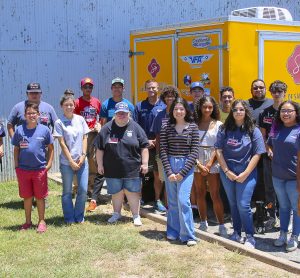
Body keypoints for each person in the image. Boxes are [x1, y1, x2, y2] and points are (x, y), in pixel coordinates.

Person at [215, 99, 265, 248]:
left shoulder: (253, 130)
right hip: (227, 172)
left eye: (241, 109)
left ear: (246, 112)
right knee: (233, 203)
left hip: (247, 172)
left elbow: (258, 154)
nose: (238, 112)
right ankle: (236, 232)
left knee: (243, 204)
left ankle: (250, 235)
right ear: (231, 111)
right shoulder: (224, 129)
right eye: (235, 109)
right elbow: (218, 150)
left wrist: (245, 173)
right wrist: (226, 171)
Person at [95, 102, 149, 226]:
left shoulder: (135, 127)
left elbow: (144, 147)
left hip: (132, 169)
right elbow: (99, 149)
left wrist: (145, 163)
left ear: (129, 114)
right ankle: (116, 214)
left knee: (132, 192)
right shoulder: (107, 128)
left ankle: (136, 216)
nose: (121, 115)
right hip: (112, 169)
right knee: (116, 192)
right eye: (119, 113)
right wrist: (100, 165)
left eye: (124, 113)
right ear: (115, 114)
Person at [160, 98, 199, 246]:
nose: (178, 111)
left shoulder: (193, 127)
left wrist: (182, 172)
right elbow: (162, 149)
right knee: (172, 202)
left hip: (186, 165)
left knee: (183, 201)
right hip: (170, 163)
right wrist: (169, 171)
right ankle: (173, 231)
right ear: (172, 111)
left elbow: (194, 151)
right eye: (176, 109)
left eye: (181, 109)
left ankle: (188, 235)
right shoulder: (166, 127)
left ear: (186, 111)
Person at [12, 102, 54, 233]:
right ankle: (28, 222)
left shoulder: (45, 130)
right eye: (29, 113)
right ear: (25, 115)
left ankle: (41, 221)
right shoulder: (19, 130)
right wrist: (17, 166)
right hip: (23, 170)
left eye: (34, 113)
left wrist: (49, 164)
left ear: (38, 115)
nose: (31, 115)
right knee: (27, 197)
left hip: (39, 169)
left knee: (40, 197)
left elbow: (51, 148)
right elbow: (16, 149)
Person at [267, 101, 300, 252]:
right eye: (283, 111)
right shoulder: (276, 128)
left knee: (297, 208)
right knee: (284, 208)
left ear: (296, 112)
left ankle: (295, 236)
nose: (285, 113)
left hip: (295, 178)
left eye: (289, 111)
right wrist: (269, 150)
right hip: (278, 176)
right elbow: (269, 143)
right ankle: (283, 234)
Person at [193, 96, 227, 237]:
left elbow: (219, 146)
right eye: (205, 107)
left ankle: (221, 225)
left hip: (214, 158)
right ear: (200, 108)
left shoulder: (219, 124)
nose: (207, 109)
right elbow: (190, 146)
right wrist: (199, 164)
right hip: (196, 159)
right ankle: (203, 221)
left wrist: (208, 164)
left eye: (210, 107)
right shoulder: (193, 124)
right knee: (199, 193)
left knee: (215, 194)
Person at [54, 95, 90, 224]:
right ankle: (69, 217)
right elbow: (62, 143)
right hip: (66, 163)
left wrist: (83, 155)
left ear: (74, 106)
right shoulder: (59, 122)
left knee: (83, 189)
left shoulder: (80, 119)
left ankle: (79, 215)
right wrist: (71, 161)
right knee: (67, 191)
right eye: (66, 105)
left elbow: (85, 138)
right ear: (61, 106)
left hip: (82, 161)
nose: (69, 107)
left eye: (71, 104)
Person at [134, 79, 166, 212]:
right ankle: (139, 198)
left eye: (154, 88)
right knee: (141, 172)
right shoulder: (139, 106)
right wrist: (146, 141)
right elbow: (135, 126)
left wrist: (156, 141)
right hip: (143, 145)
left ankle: (157, 200)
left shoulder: (164, 105)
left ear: (158, 88)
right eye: (149, 88)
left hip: (160, 146)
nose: (151, 90)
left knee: (158, 175)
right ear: (145, 89)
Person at [259, 80, 287, 229]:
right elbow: (263, 135)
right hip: (269, 156)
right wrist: (267, 149)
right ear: (271, 93)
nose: (277, 94)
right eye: (274, 91)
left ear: (284, 93)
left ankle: (286, 217)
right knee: (269, 188)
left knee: (286, 188)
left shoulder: (291, 110)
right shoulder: (265, 113)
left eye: (280, 92)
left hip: (287, 157)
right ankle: (271, 216)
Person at [74, 77, 103, 211]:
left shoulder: (96, 102)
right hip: (81, 135)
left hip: (93, 134)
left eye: (90, 87)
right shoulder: (77, 102)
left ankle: (91, 189)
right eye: (85, 87)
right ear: (81, 88)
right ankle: (76, 188)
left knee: (92, 161)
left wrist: (99, 125)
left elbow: (101, 117)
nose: (88, 89)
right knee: (79, 160)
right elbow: (73, 119)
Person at [150, 85, 179, 184]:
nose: (170, 98)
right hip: (164, 154)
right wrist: (158, 155)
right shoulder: (160, 115)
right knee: (167, 181)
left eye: (172, 96)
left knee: (180, 180)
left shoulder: (180, 113)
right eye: (167, 96)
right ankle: (167, 200)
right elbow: (158, 136)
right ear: (163, 98)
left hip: (179, 153)